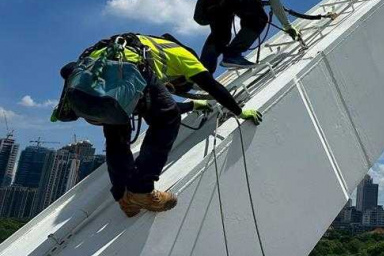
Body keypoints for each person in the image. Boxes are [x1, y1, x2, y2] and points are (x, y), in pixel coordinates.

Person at [52, 33, 263, 217]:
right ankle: (141, 190)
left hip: (99, 78)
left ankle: (124, 198)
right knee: (169, 117)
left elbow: (152, 107)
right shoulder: (186, 57)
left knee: (117, 136)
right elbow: (211, 87)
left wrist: (192, 105)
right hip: (131, 67)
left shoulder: (151, 46)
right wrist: (239, 111)